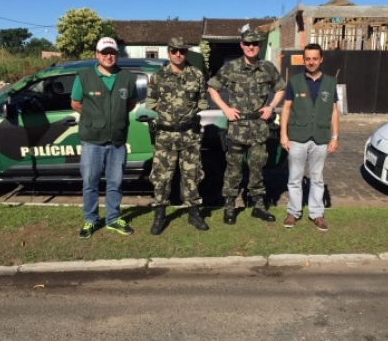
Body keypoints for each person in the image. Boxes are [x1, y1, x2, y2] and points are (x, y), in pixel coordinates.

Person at [207, 29, 286, 224]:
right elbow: (212, 88)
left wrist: (271, 106)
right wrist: (225, 108)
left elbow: (281, 88)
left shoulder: (267, 67)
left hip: (259, 126)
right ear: (241, 45)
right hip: (237, 126)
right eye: (247, 44)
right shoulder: (230, 67)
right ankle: (230, 206)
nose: (251, 47)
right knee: (233, 168)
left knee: (257, 167)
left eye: (255, 44)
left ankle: (258, 206)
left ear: (259, 46)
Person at [70, 37, 137, 238]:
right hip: (92, 140)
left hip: (117, 139)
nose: (109, 56)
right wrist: (95, 118)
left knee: (115, 182)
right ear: (97, 55)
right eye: (104, 52)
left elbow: (131, 103)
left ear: (117, 54)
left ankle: (113, 218)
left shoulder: (127, 78)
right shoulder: (84, 77)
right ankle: (90, 220)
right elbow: (75, 103)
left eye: (112, 52)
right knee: (90, 182)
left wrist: (114, 118)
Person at [145, 37, 209, 235]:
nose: (178, 54)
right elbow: (150, 102)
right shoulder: (158, 76)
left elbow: (202, 102)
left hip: (189, 134)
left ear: (186, 53)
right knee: (162, 177)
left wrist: (185, 115)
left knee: (192, 175)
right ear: (168, 52)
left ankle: (194, 213)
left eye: (182, 51)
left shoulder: (197, 75)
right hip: (165, 134)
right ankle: (159, 215)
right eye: (174, 51)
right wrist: (169, 113)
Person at [279, 43, 339, 232]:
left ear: (321, 59)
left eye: (315, 58)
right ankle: (293, 212)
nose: (311, 62)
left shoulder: (330, 82)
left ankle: (316, 214)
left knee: (317, 178)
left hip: (321, 137)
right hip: (297, 136)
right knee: (295, 178)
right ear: (303, 60)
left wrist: (335, 136)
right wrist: (283, 135)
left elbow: (334, 112)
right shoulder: (295, 81)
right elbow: (286, 108)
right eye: (308, 58)